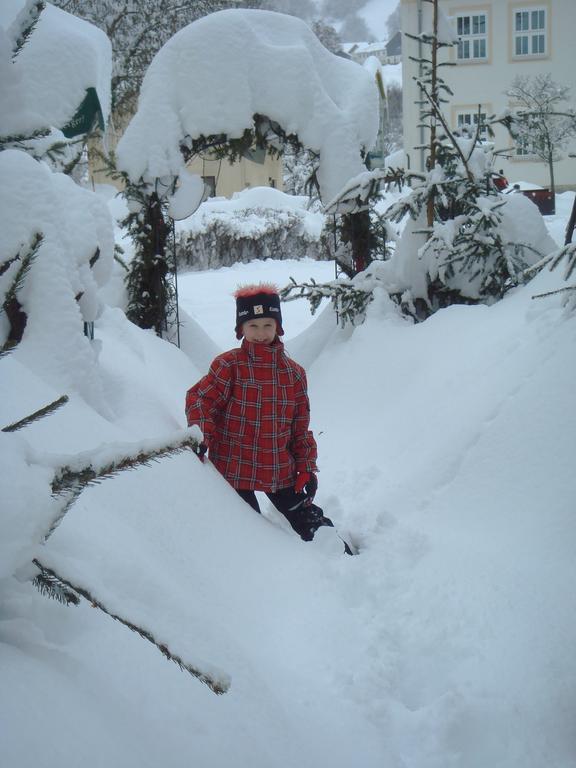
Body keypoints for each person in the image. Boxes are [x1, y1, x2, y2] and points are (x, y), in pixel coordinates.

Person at [185, 283, 353, 554]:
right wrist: (201, 434)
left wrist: (306, 467)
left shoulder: (294, 374)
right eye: (253, 326)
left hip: (278, 468)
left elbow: (300, 428)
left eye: (267, 325)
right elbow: (201, 400)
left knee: (310, 521)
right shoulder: (229, 366)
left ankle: (346, 559)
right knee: (245, 532)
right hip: (233, 466)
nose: (261, 333)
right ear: (241, 329)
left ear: (278, 327)